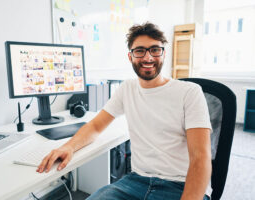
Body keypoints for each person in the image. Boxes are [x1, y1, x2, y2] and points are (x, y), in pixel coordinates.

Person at [37, 22, 212, 200]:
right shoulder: (127, 88)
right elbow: (96, 126)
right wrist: (69, 147)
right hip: (136, 182)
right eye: (140, 51)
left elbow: (200, 156)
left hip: (180, 185)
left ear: (163, 53)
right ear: (130, 57)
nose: (148, 58)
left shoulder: (189, 92)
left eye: (155, 50)